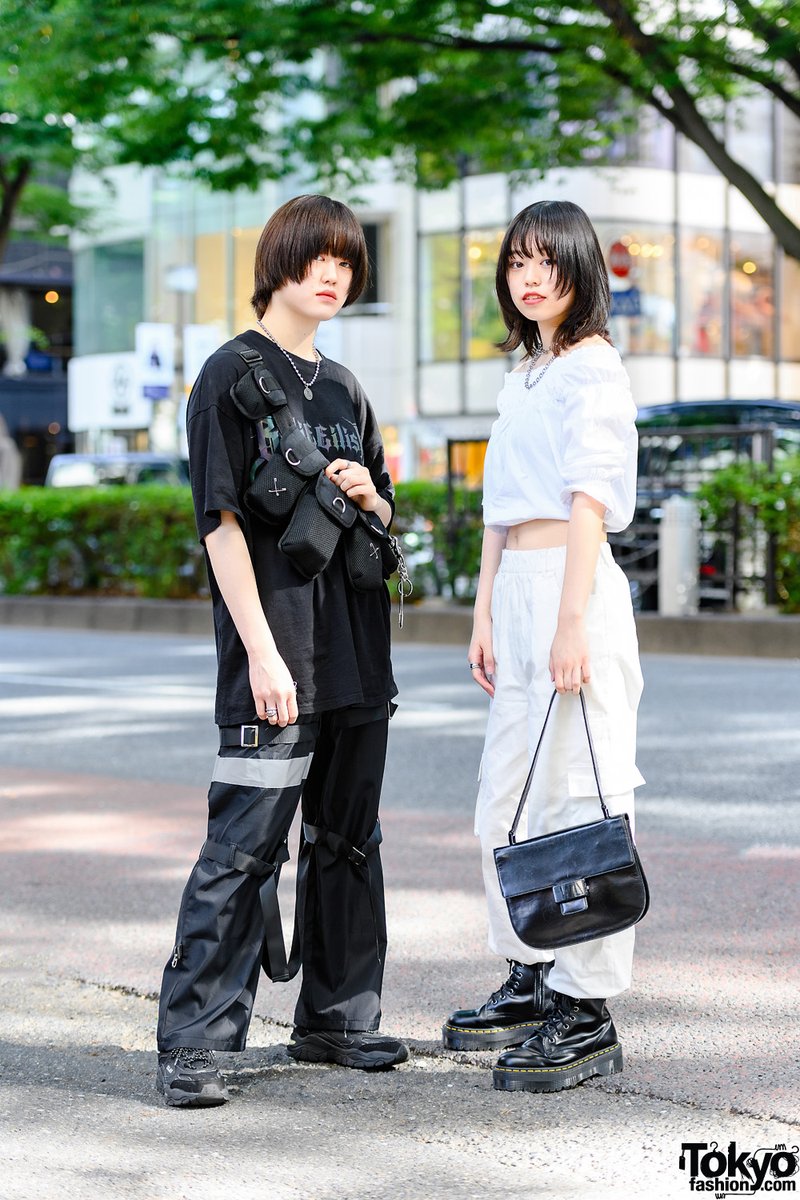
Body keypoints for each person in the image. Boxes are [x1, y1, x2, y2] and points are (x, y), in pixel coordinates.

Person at [156, 194, 408, 1107]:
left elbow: (381, 510)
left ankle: (339, 1018)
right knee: (244, 847)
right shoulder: (229, 374)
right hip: (279, 652)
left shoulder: (345, 386)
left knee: (347, 841)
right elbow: (220, 526)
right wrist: (261, 654)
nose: (333, 274)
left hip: (357, 651)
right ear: (279, 263)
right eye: (317, 257)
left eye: (347, 260)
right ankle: (195, 1041)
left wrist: (369, 497)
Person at [442, 200, 644, 1093]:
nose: (530, 278)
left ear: (579, 271)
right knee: (507, 798)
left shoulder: (593, 369)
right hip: (519, 590)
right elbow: (498, 507)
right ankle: (531, 972)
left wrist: (570, 623)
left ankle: (588, 1007)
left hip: (574, 585)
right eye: (518, 263)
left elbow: (588, 500)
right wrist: (485, 609)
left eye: (547, 263)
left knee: (580, 796)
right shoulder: (525, 372)